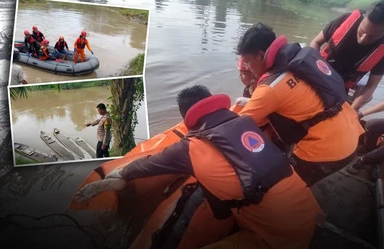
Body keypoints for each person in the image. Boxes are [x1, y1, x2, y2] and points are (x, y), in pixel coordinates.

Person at [76, 85, 322, 249]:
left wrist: (116, 176)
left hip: (281, 238)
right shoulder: (246, 123)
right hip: (307, 210)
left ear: (187, 119)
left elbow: (144, 166)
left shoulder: (190, 147)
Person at [235, 23, 364, 186]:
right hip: (352, 135)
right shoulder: (300, 58)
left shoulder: (269, 88)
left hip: (327, 154)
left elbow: (238, 126)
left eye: (247, 61)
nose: (246, 67)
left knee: (276, 187)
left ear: (261, 55)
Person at [310, 0, 384, 111]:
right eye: (362, 31)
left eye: (372, 37)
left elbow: (370, 86)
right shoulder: (345, 19)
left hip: (339, 88)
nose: (363, 38)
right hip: (317, 71)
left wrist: (351, 110)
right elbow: (316, 42)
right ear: (363, 17)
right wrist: (312, 68)